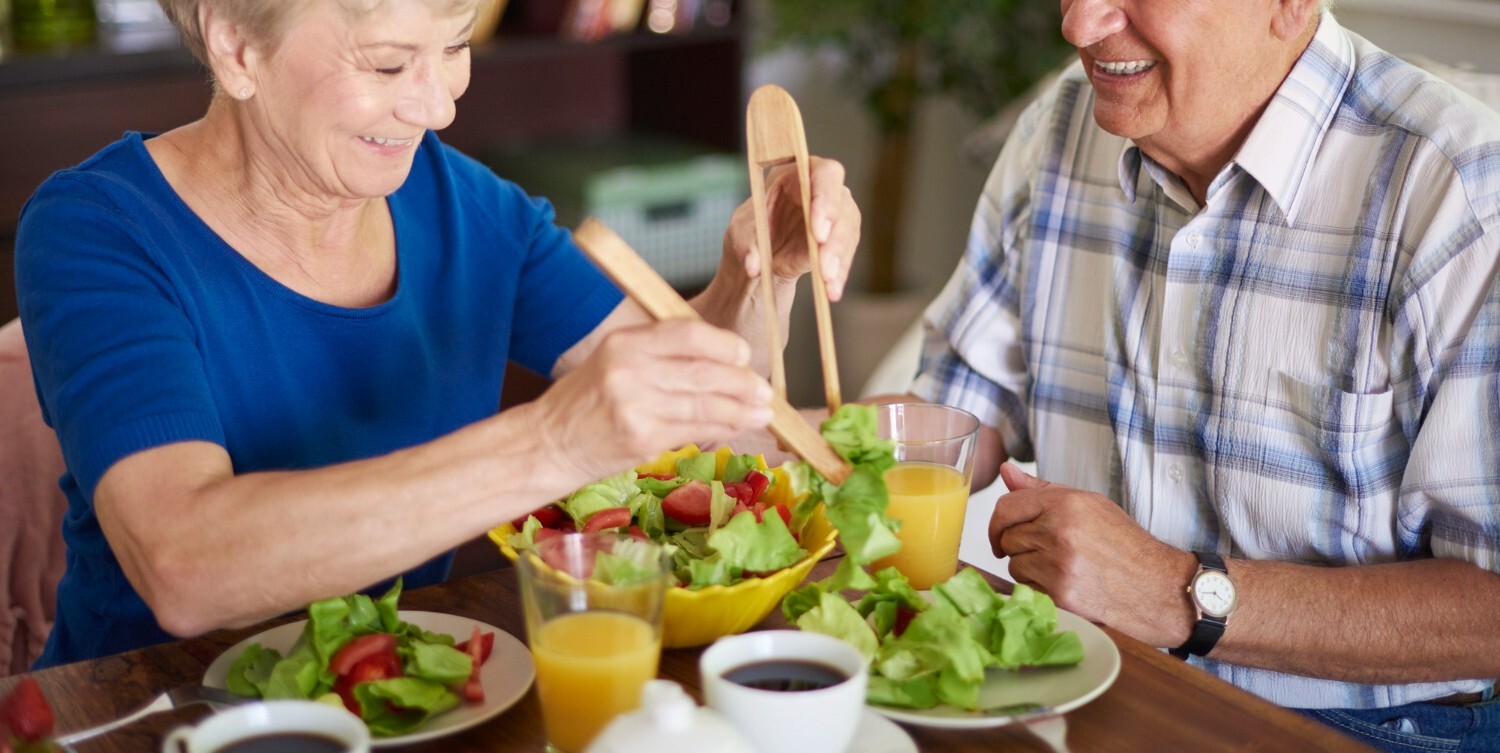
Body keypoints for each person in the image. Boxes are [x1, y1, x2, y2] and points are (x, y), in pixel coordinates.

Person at [14, 0, 860, 668]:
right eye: (388, 62)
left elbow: (715, 419)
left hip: (412, 692)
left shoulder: (469, 207)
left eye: (454, 46)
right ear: (237, 49)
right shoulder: (98, 227)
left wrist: (761, 273)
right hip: (146, 710)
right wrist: (556, 443)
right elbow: (185, 566)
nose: (439, 103)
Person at [906, 0, 1500, 748]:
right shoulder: (1058, 125)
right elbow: (956, 416)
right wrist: (758, 316)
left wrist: (1176, 593)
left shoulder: (1465, 194)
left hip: (1372, 728)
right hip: (1099, 686)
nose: (1080, 26)